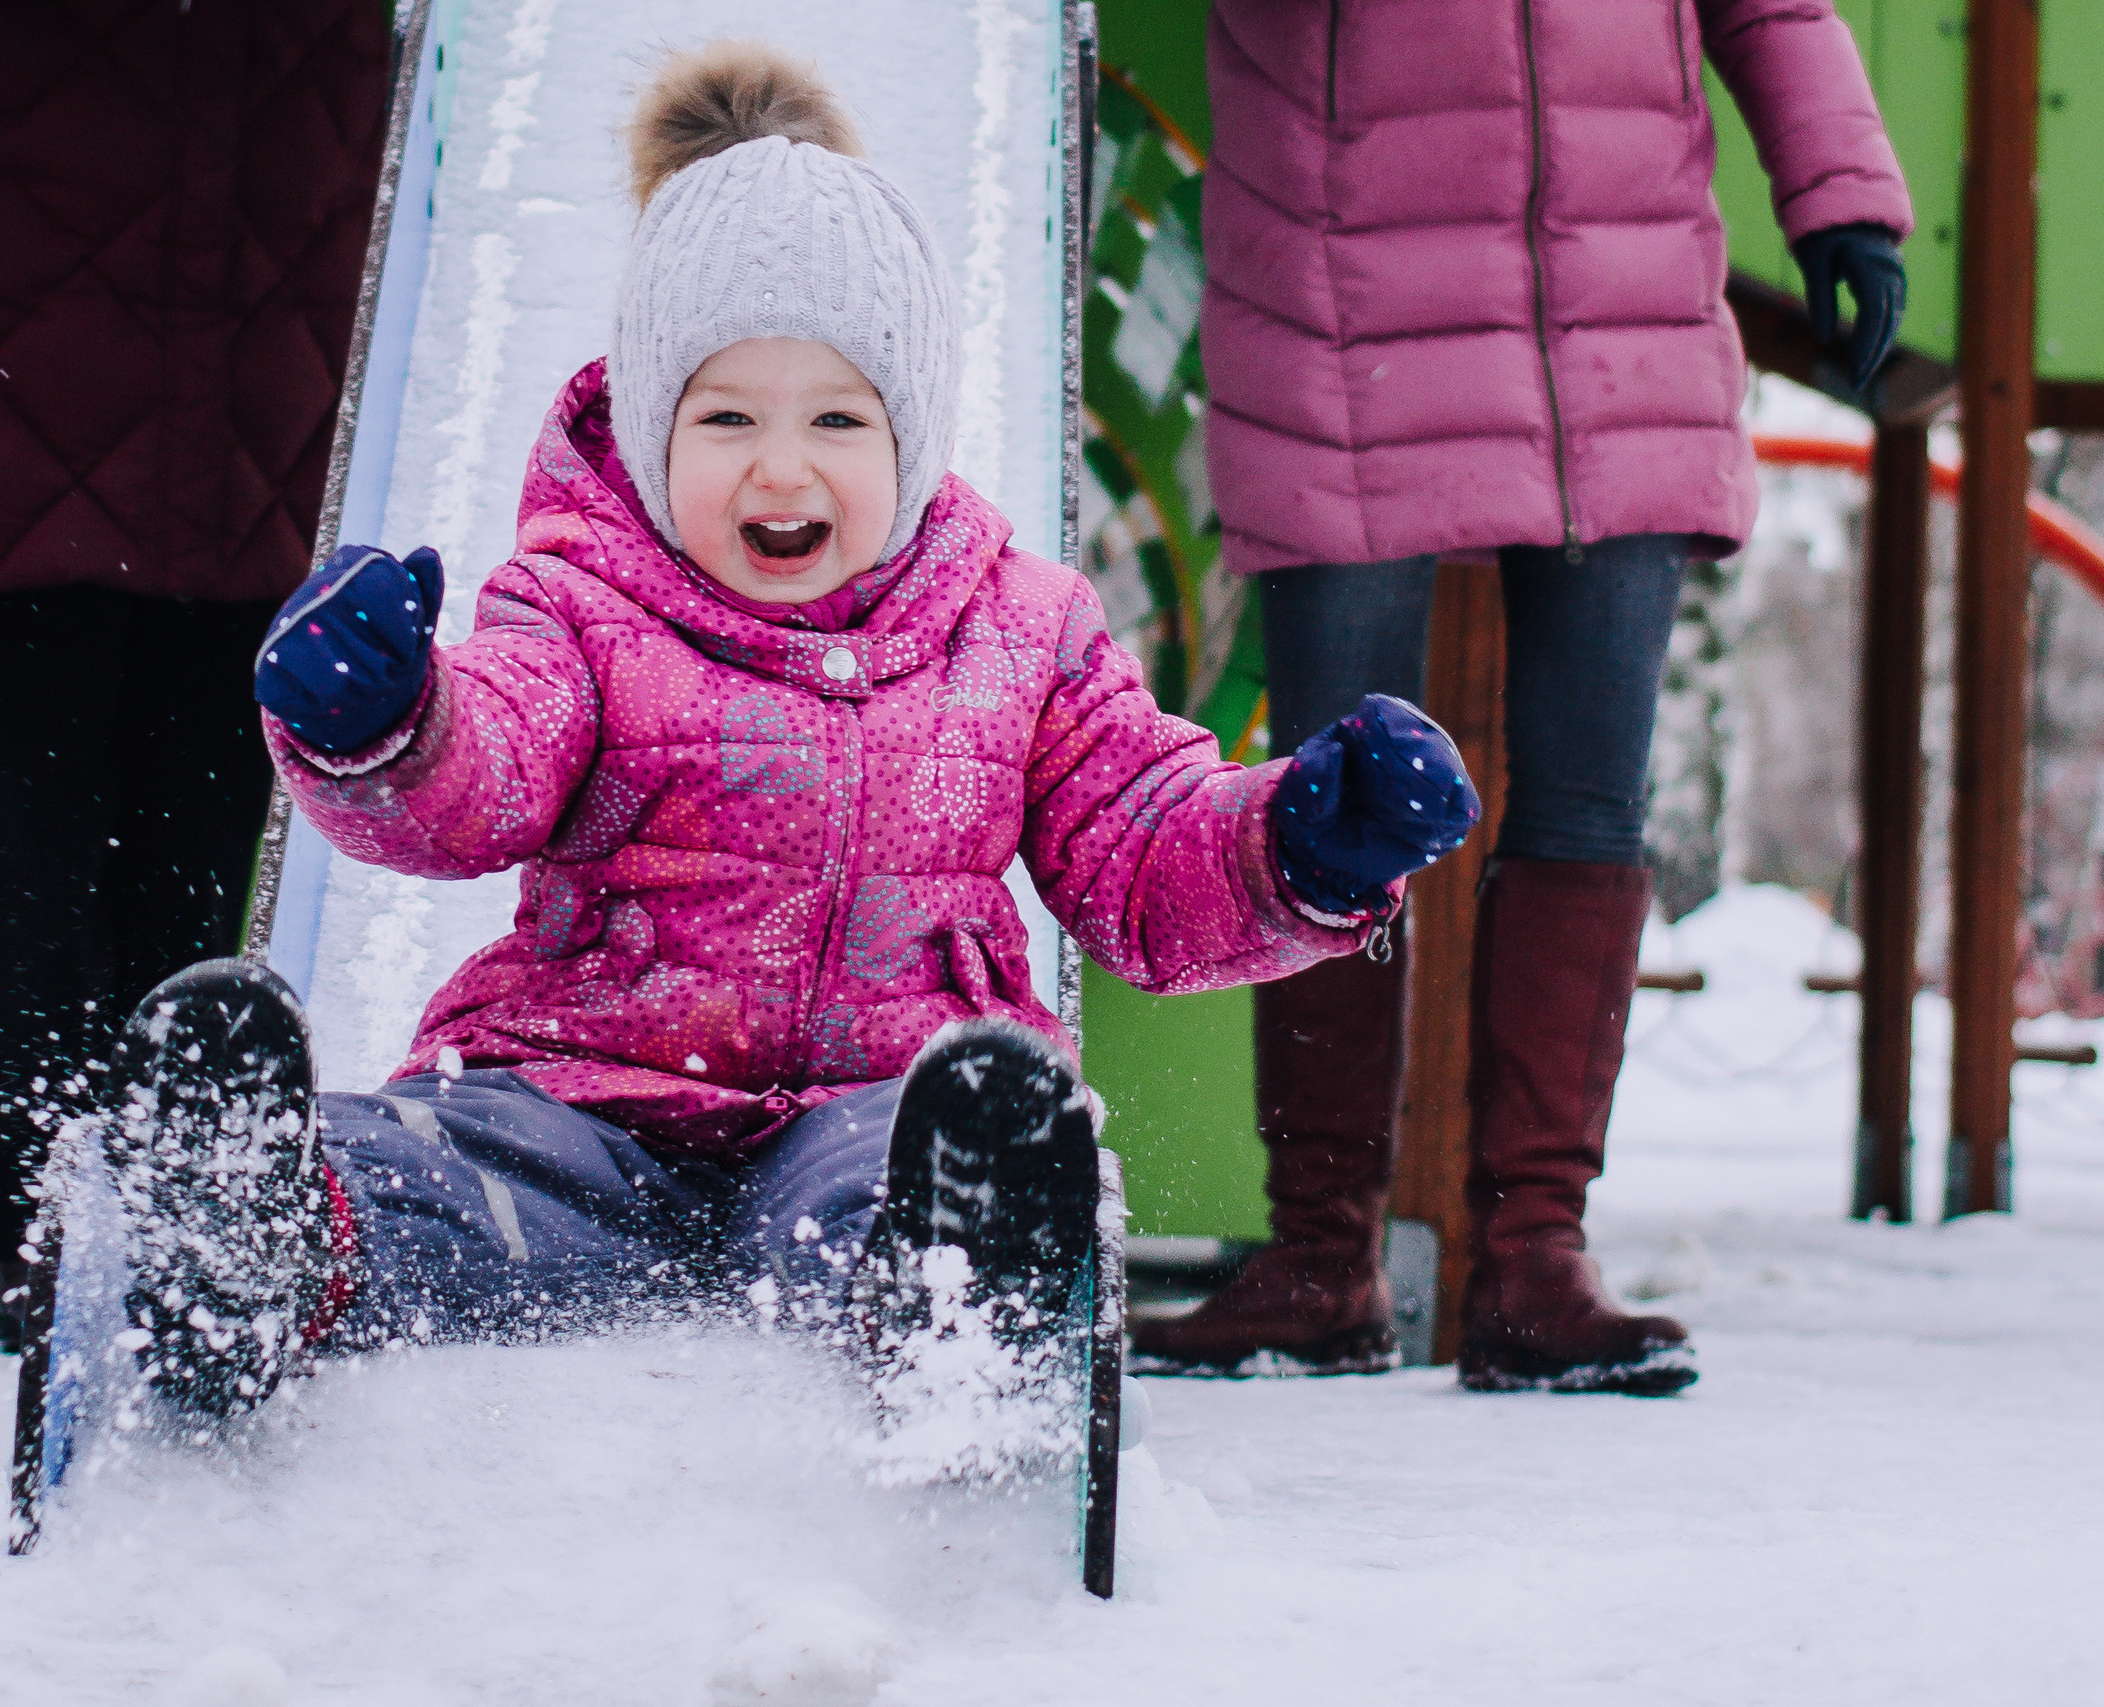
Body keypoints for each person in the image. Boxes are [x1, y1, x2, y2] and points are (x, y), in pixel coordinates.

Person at [98, 43, 1478, 1413]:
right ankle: (265, 1231)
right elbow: (487, 772)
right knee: (458, 1166)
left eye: (835, 415)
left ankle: (961, 1274)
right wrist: (388, 722)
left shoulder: (1019, 629)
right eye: (725, 417)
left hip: (877, 1106)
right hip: (585, 1091)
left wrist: (1300, 844)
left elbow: (1140, 849)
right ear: (650, 431)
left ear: (912, 433)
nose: (780, 463)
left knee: (903, 1175)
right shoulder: (580, 603)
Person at [1131, 0, 1913, 1394]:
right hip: (1343, 309)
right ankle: (1321, 1254)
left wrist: (1841, 197)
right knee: (1330, 813)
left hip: (1613, 318)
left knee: (1589, 804)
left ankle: (1534, 1257)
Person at [0, 0, 391, 1346]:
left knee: (192, 833)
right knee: (29, 830)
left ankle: (163, 1238)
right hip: (16, 277)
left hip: (257, 272)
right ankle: (59, 1245)